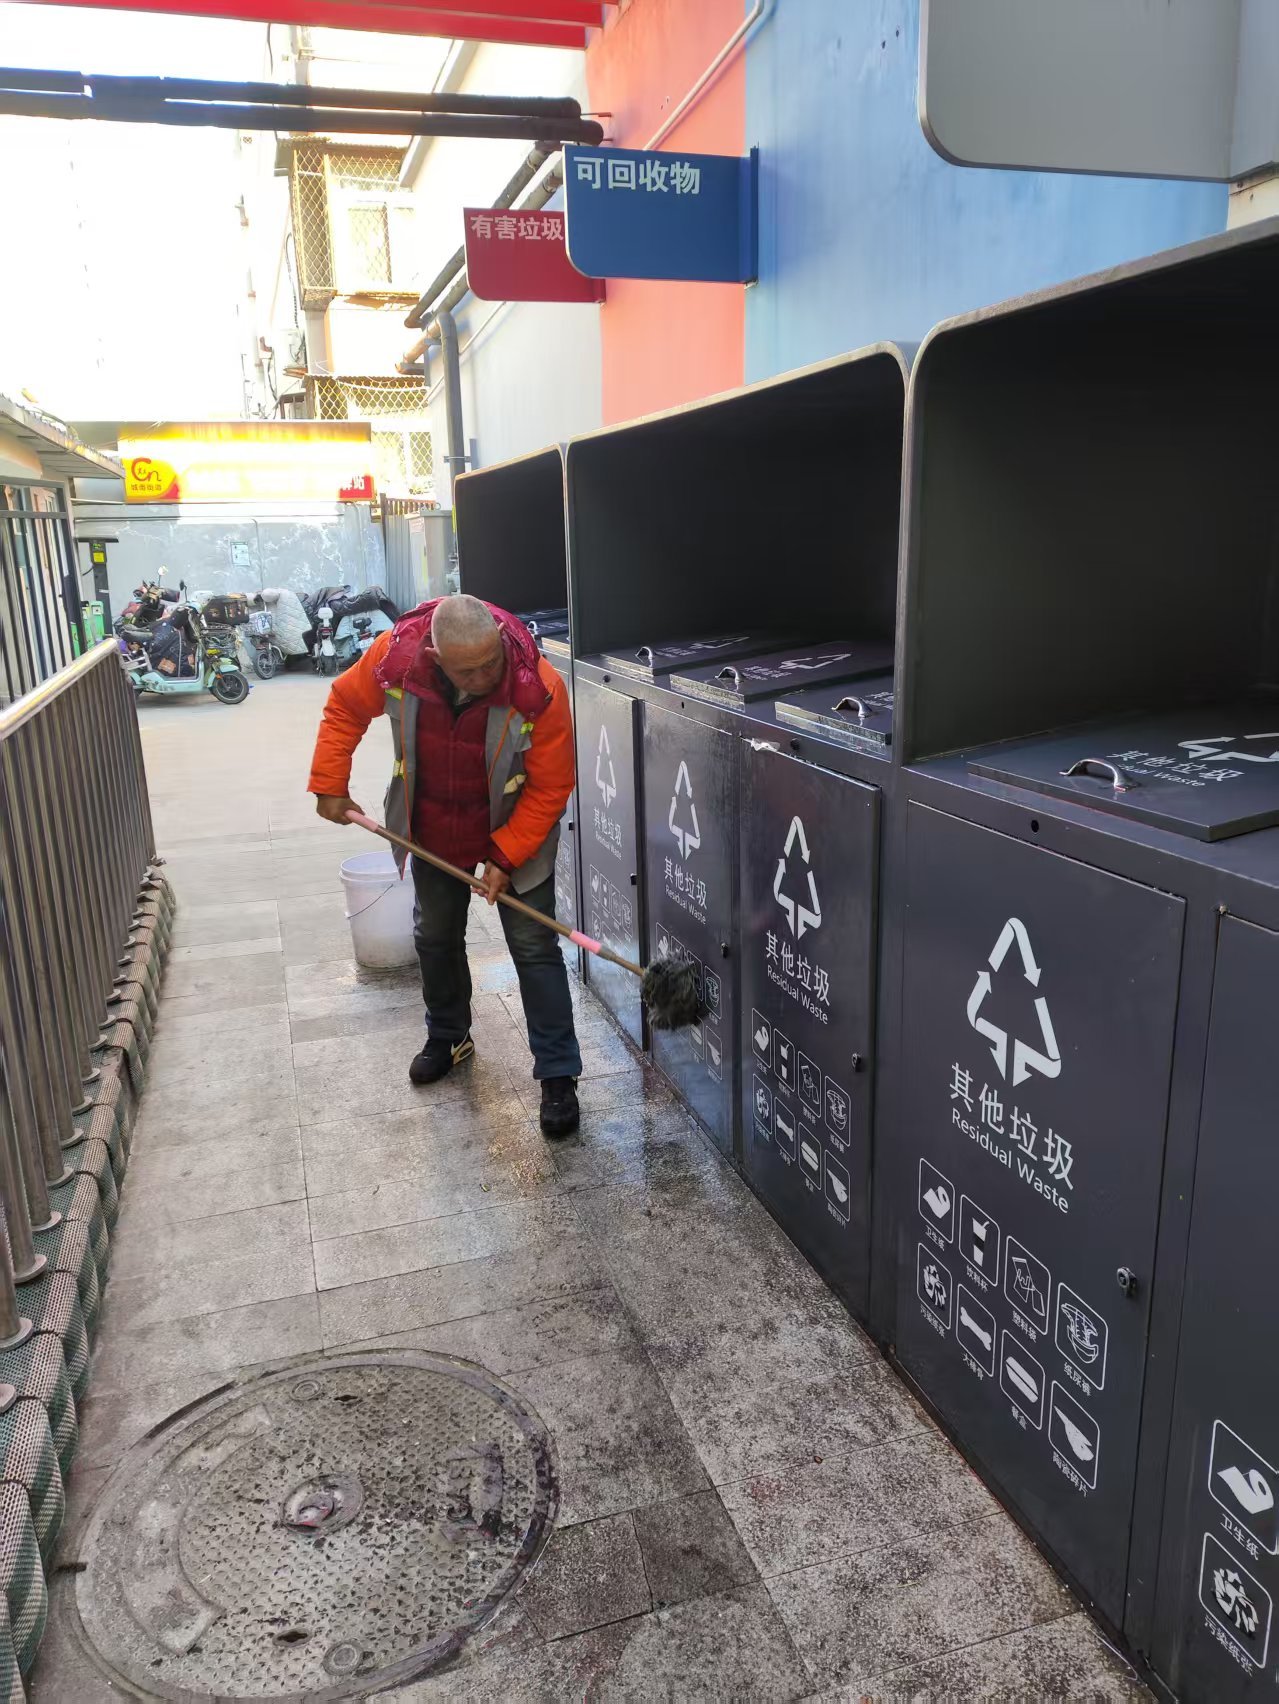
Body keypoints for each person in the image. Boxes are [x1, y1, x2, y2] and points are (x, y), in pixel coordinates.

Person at [308, 592, 582, 1137]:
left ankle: (558, 1073)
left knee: (533, 946)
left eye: (490, 664)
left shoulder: (537, 684)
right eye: (467, 671)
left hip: (515, 820)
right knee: (434, 935)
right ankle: (449, 1036)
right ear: (435, 657)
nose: (483, 677)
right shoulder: (394, 659)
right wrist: (329, 783)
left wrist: (506, 856)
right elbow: (344, 705)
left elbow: (553, 784)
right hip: (433, 822)